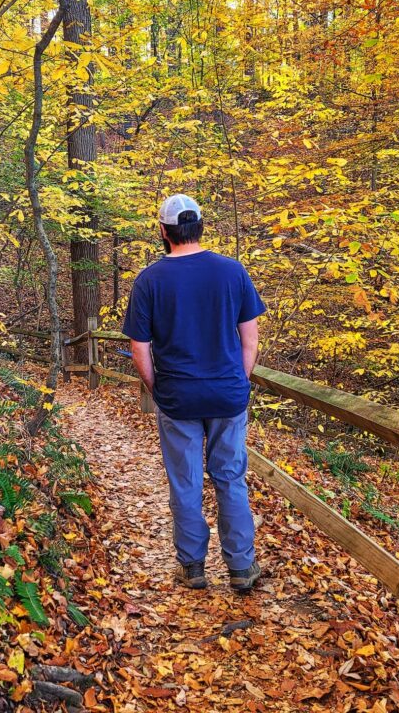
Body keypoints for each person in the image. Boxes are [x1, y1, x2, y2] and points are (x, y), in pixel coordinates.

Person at [122, 193, 267, 592]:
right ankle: (241, 568)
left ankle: (192, 567)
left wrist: (156, 386)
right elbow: (249, 339)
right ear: (199, 226)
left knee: (185, 481)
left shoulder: (150, 280)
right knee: (230, 477)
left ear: (163, 231)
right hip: (227, 395)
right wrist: (237, 380)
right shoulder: (232, 272)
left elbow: (139, 346)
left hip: (178, 396)